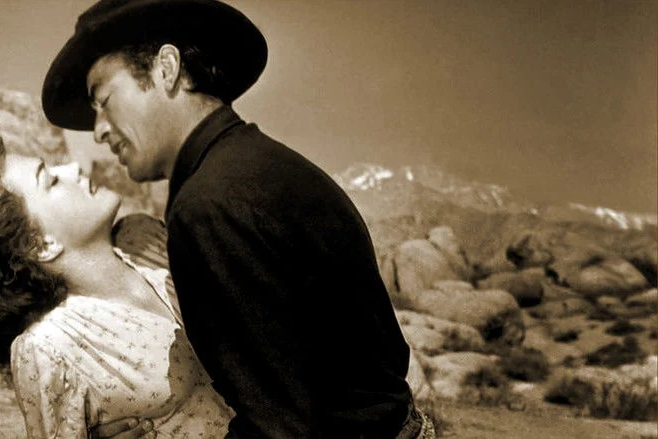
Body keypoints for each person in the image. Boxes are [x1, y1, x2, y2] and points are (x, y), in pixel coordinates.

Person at [43, 0, 433, 437]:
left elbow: (281, 427)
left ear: (166, 69)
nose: (98, 130)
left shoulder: (208, 204)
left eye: (104, 101)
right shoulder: (259, 164)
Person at [0, 136, 234, 438]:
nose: (74, 168)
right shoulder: (48, 347)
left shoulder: (143, 237)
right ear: (40, 244)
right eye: (51, 181)